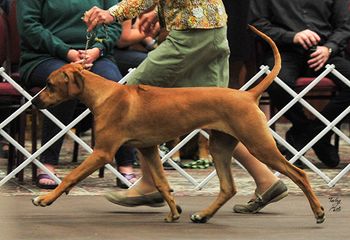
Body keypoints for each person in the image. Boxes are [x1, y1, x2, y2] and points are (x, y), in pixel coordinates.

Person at [83, 0, 288, 214]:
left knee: (132, 95)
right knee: (218, 114)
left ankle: (150, 184)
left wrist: (113, 13)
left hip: (191, 34)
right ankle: (266, 180)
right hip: (212, 30)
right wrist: (159, 11)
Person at [17, 0, 136, 189]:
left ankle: (126, 164)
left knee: (116, 87)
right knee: (67, 84)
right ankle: (47, 162)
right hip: (44, 57)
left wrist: (97, 50)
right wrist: (67, 52)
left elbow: (113, 24)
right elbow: (29, 27)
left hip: (96, 57)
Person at [250, 0, 350, 168]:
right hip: (284, 51)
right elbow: (257, 25)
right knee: (277, 83)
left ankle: (314, 133)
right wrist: (292, 36)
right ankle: (310, 131)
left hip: (324, 52)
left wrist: (329, 47)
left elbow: (345, 26)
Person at [114, 11, 160, 76]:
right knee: (156, 63)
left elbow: (135, 23)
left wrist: (152, 43)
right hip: (109, 49)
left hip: (125, 48)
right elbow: (123, 40)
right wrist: (150, 30)